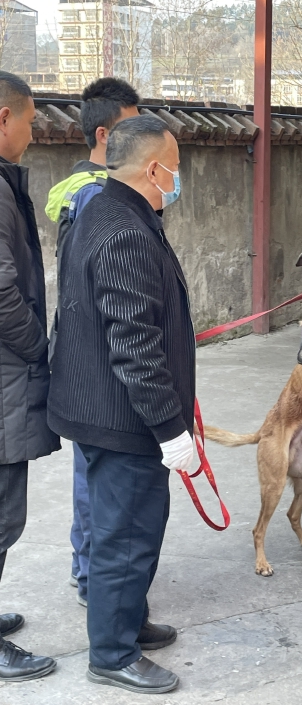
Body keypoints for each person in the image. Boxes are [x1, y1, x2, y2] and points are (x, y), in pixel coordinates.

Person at [48, 115, 195, 694]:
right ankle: (111, 653)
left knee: (131, 527)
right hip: (121, 413)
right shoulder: (124, 229)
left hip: (105, 404)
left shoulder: (110, 211)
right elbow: (134, 344)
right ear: (153, 168)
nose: (177, 180)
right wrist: (170, 428)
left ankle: (127, 622)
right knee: (126, 535)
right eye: (175, 169)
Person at [45, 77, 139, 608]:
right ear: (104, 135)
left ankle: (92, 571)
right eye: (133, 128)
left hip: (93, 354)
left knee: (98, 470)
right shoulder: (94, 198)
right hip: (97, 361)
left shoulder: (93, 191)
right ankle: (92, 577)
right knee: (100, 473)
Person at [0, 71, 60, 681]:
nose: (33, 130)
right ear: (3, 118)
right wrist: (36, 349)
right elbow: (0, 293)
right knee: (1, 513)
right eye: (30, 119)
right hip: (6, 376)